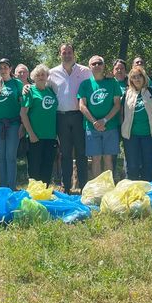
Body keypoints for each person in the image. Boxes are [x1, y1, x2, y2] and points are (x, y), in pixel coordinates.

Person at [48, 43, 91, 193]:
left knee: (81, 153)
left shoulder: (85, 71)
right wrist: (27, 87)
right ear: (59, 54)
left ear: (74, 53)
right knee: (65, 153)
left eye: (69, 52)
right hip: (61, 117)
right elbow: (41, 88)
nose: (67, 55)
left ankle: (84, 187)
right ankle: (66, 186)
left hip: (79, 116)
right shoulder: (52, 73)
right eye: (64, 52)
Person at [78, 55, 122, 177]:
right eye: (94, 64)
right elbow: (82, 105)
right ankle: (98, 186)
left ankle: (108, 185)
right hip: (91, 127)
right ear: (89, 67)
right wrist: (95, 122)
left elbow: (117, 104)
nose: (96, 65)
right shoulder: (85, 84)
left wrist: (104, 120)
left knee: (108, 158)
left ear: (103, 66)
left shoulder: (112, 82)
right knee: (95, 159)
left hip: (110, 126)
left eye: (99, 63)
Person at [121, 66, 152, 181]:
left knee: (147, 163)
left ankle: (147, 187)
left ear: (144, 78)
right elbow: (121, 114)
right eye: (134, 77)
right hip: (131, 135)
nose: (137, 79)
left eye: (139, 76)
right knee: (132, 164)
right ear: (130, 79)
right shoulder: (127, 93)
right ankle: (132, 186)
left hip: (149, 134)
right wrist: (123, 127)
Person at [21, 64, 58, 185]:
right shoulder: (30, 91)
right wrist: (31, 133)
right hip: (35, 136)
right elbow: (23, 114)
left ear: (47, 76)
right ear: (33, 77)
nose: (41, 77)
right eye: (38, 75)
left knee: (47, 166)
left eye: (43, 75)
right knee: (34, 167)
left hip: (50, 136)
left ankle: (44, 192)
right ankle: (34, 193)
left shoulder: (51, 91)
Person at [0, 58, 24, 190]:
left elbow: (23, 103)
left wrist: (22, 124)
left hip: (13, 124)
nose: (3, 70)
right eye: (0, 67)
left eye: (5, 67)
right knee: (1, 156)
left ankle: (12, 186)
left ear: (10, 69)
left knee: (11, 156)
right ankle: (3, 186)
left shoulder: (17, 83)